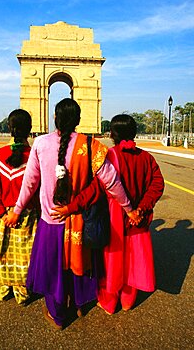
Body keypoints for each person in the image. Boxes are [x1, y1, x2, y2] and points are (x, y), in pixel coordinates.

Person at [5, 99, 139, 329]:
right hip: (79, 222)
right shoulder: (90, 145)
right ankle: (77, 303)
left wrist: (16, 211)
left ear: (55, 118)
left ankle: (57, 314)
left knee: (54, 269)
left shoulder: (40, 143)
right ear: (78, 120)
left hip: (51, 221)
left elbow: (30, 182)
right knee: (78, 266)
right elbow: (111, 181)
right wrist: (129, 209)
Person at [52, 114, 164, 314]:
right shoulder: (147, 158)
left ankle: (109, 302)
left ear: (112, 134)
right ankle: (128, 300)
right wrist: (140, 209)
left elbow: (95, 189)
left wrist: (71, 207)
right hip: (138, 220)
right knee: (133, 260)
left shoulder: (110, 155)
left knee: (112, 261)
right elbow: (157, 185)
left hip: (114, 218)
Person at [0, 109, 40, 305]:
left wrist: (2, 211)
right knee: (24, 255)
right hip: (27, 217)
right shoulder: (35, 157)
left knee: (1, 251)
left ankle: (3, 289)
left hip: (2, 216)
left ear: (9, 128)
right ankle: (22, 292)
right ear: (30, 129)